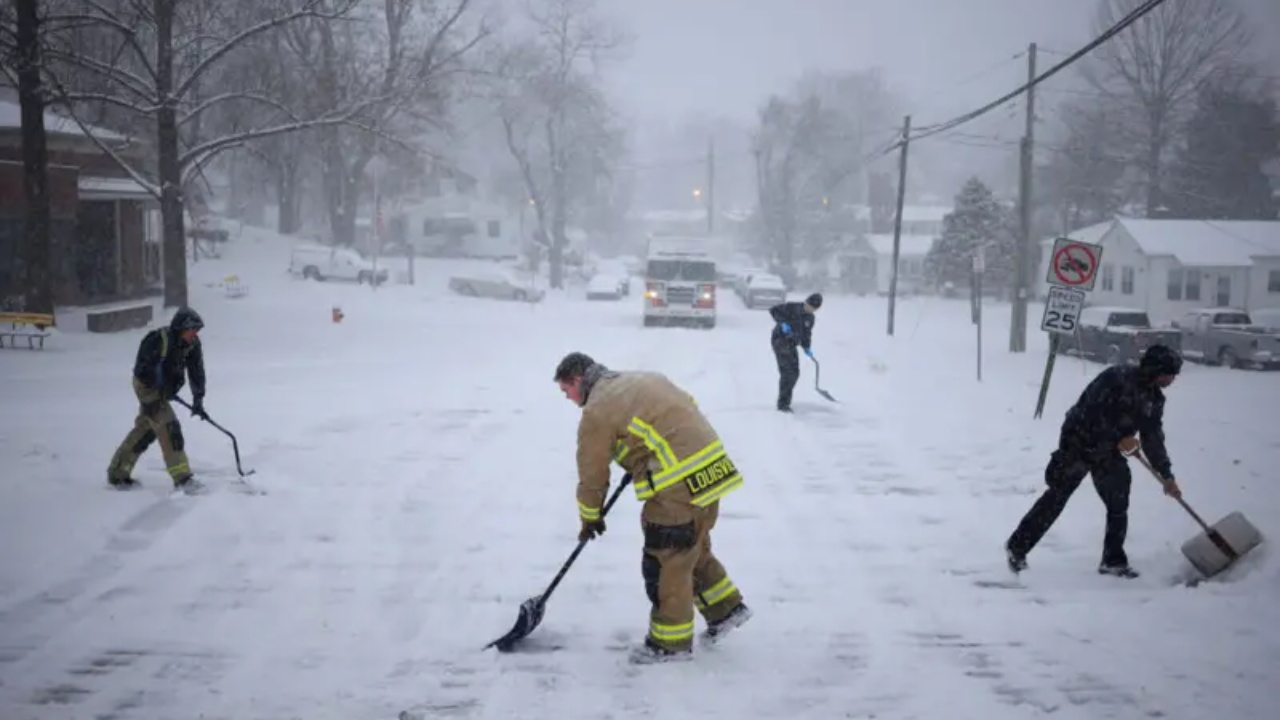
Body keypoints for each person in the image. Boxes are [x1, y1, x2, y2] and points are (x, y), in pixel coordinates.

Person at [554, 351, 751, 664]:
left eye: (566, 391)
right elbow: (679, 415)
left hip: (677, 483)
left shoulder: (596, 411)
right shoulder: (643, 379)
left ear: (577, 380)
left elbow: (592, 475)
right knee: (691, 544)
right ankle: (725, 609)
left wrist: (590, 517)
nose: (568, 398)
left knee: (666, 559)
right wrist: (641, 456)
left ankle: (669, 644)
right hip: (713, 470)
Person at [1005, 344, 1184, 578]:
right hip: (1079, 442)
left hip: (1109, 452)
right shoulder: (1115, 378)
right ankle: (1017, 548)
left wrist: (1166, 474)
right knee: (1057, 496)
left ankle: (1113, 560)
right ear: (1154, 369)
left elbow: (1153, 438)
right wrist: (1119, 437)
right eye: (1169, 374)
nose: (1172, 379)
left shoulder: (1154, 399)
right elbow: (1089, 412)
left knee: (1118, 502)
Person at [106, 307, 209, 494]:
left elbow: (196, 371)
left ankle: (117, 472)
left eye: (196, 331)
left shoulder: (192, 344)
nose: (194, 335)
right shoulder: (157, 340)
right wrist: (160, 387)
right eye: (191, 330)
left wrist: (198, 399)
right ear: (180, 328)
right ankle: (182, 478)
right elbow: (142, 370)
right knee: (169, 427)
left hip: (164, 389)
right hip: (146, 387)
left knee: (146, 430)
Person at [768, 293, 823, 412]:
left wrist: (807, 347)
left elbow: (806, 334)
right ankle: (783, 404)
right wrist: (782, 323)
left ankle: (784, 399)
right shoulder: (792, 307)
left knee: (795, 373)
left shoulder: (810, 318)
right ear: (806, 302)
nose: (810, 309)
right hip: (780, 341)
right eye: (809, 306)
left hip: (792, 344)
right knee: (788, 373)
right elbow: (774, 311)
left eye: (814, 309)